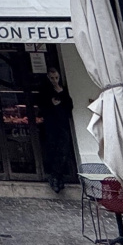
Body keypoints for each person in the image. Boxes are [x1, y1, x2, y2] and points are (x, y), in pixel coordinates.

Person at [32, 66, 77, 194]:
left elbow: (69, 106)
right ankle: (55, 177)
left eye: (56, 77)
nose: (54, 80)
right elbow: (41, 105)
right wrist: (51, 104)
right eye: (52, 78)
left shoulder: (63, 89)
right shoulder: (44, 90)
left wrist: (61, 94)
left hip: (62, 123)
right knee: (53, 149)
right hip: (51, 124)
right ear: (48, 77)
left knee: (63, 150)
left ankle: (58, 176)